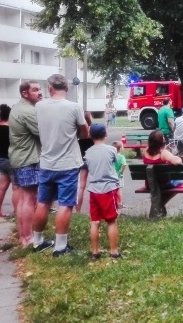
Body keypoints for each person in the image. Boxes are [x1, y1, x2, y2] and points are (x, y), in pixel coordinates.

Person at [33, 74, 89, 257]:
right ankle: (60, 246)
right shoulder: (74, 107)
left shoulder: (39, 106)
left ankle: (37, 241)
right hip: (68, 164)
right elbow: (85, 133)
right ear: (67, 88)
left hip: (46, 162)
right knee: (65, 204)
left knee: (43, 202)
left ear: (49, 88)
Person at [76, 123, 122, 260]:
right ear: (106, 134)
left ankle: (95, 252)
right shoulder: (111, 150)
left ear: (90, 136)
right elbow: (115, 161)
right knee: (111, 221)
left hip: (94, 190)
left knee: (95, 222)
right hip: (109, 189)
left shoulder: (88, 153)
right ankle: (114, 251)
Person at [9, 80, 43, 248]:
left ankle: (23, 237)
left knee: (23, 199)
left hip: (18, 158)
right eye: (35, 90)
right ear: (25, 93)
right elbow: (43, 132)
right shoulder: (28, 111)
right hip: (28, 159)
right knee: (29, 199)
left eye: (40, 89)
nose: (40, 92)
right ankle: (28, 238)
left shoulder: (17, 107)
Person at [142, 130, 183, 212]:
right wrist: (176, 157)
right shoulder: (163, 153)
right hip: (163, 183)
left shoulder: (145, 151)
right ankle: (160, 204)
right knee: (180, 182)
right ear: (161, 142)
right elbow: (178, 162)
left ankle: (159, 204)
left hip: (150, 183)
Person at [0, 104, 15, 217]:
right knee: (16, 189)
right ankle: (17, 212)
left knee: (1, 189)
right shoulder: (10, 131)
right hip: (12, 161)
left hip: (1, 159)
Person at [111, 141, 127, 208]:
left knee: (114, 189)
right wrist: (121, 172)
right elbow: (124, 165)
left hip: (112, 175)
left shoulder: (111, 156)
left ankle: (115, 202)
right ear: (120, 149)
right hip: (119, 176)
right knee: (119, 189)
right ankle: (120, 202)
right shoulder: (121, 157)